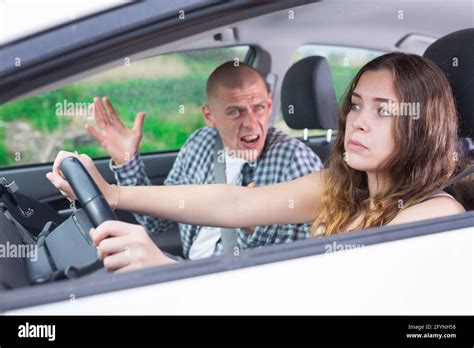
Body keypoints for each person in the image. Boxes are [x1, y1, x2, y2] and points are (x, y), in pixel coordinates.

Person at [47, 52, 468, 273]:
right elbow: (235, 205)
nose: (357, 122)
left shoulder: (434, 215)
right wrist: (114, 192)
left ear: (421, 124)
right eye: (356, 105)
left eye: (383, 111)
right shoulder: (344, 186)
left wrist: (165, 269)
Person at [77, 61, 323, 260]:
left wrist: (256, 227)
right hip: (187, 269)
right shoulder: (200, 144)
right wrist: (126, 161)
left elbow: (303, 261)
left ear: (270, 106)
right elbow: (159, 222)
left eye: (258, 107)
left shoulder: (297, 162)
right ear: (209, 115)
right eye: (235, 111)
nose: (250, 122)